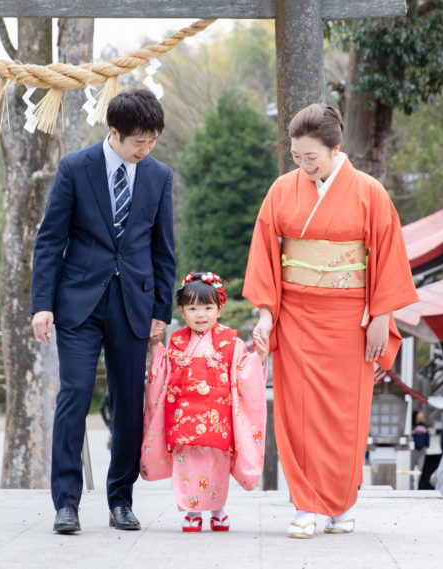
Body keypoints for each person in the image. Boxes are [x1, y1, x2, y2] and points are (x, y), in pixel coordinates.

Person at [243, 103, 419, 538]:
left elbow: (389, 256)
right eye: (296, 157)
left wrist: (381, 316)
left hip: (347, 320)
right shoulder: (282, 191)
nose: (302, 166)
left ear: (335, 149)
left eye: (311, 158)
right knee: (297, 413)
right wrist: (266, 316)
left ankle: (341, 504)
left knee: (346, 414)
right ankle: (307, 504)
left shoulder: (369, 192)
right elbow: (266, 256)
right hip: (296, 315)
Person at [30, 88, 176, 535]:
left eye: (152, 142)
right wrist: (42, 305)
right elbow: (51, 239)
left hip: (133, 303)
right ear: (114, 132)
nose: (145, 150)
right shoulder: (77, 168)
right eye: (138, 142)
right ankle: (67, 503)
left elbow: (163, 249)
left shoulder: (159, 175)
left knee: (129, 403)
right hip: (77, 303)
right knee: (73, 395)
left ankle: (121, 500)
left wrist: (161, 310)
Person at [140, 272, 266, 532]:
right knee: (186, 464)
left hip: (217, 418)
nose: (201, 314)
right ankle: (191, 511)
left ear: (219, 309)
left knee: (217, 465)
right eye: (193, 308)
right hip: (183, 417)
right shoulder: (176, 341)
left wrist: (259, 358)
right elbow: (162, 373)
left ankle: (218, 509)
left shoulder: (230, 341)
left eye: (208, 307)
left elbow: (245, 372)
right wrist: (155, 348)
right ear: (182, 312)